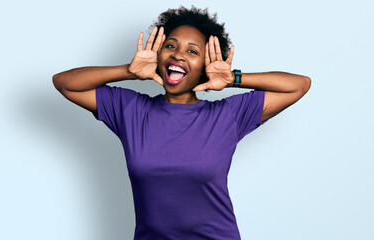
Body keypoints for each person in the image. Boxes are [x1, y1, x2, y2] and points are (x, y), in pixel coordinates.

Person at [53, 6, 311, 240]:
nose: (178, 56)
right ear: (158, 55)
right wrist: (128, 71)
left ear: (205, 65)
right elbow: (64, 83)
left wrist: (233, 78)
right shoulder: (130, 110)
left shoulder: (227, 115)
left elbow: (299, 86)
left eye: (192, 51)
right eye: (171, 46)